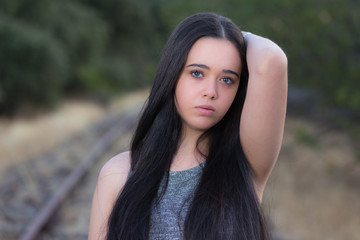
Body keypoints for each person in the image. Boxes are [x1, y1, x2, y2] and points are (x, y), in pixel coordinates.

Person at [89, 12, 287, 240]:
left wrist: (233, 35)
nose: (211, 92)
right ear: (172, 75)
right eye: (196, 73)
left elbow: (272, 61)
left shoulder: (245, 164)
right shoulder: (119, 174)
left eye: (227, 79)